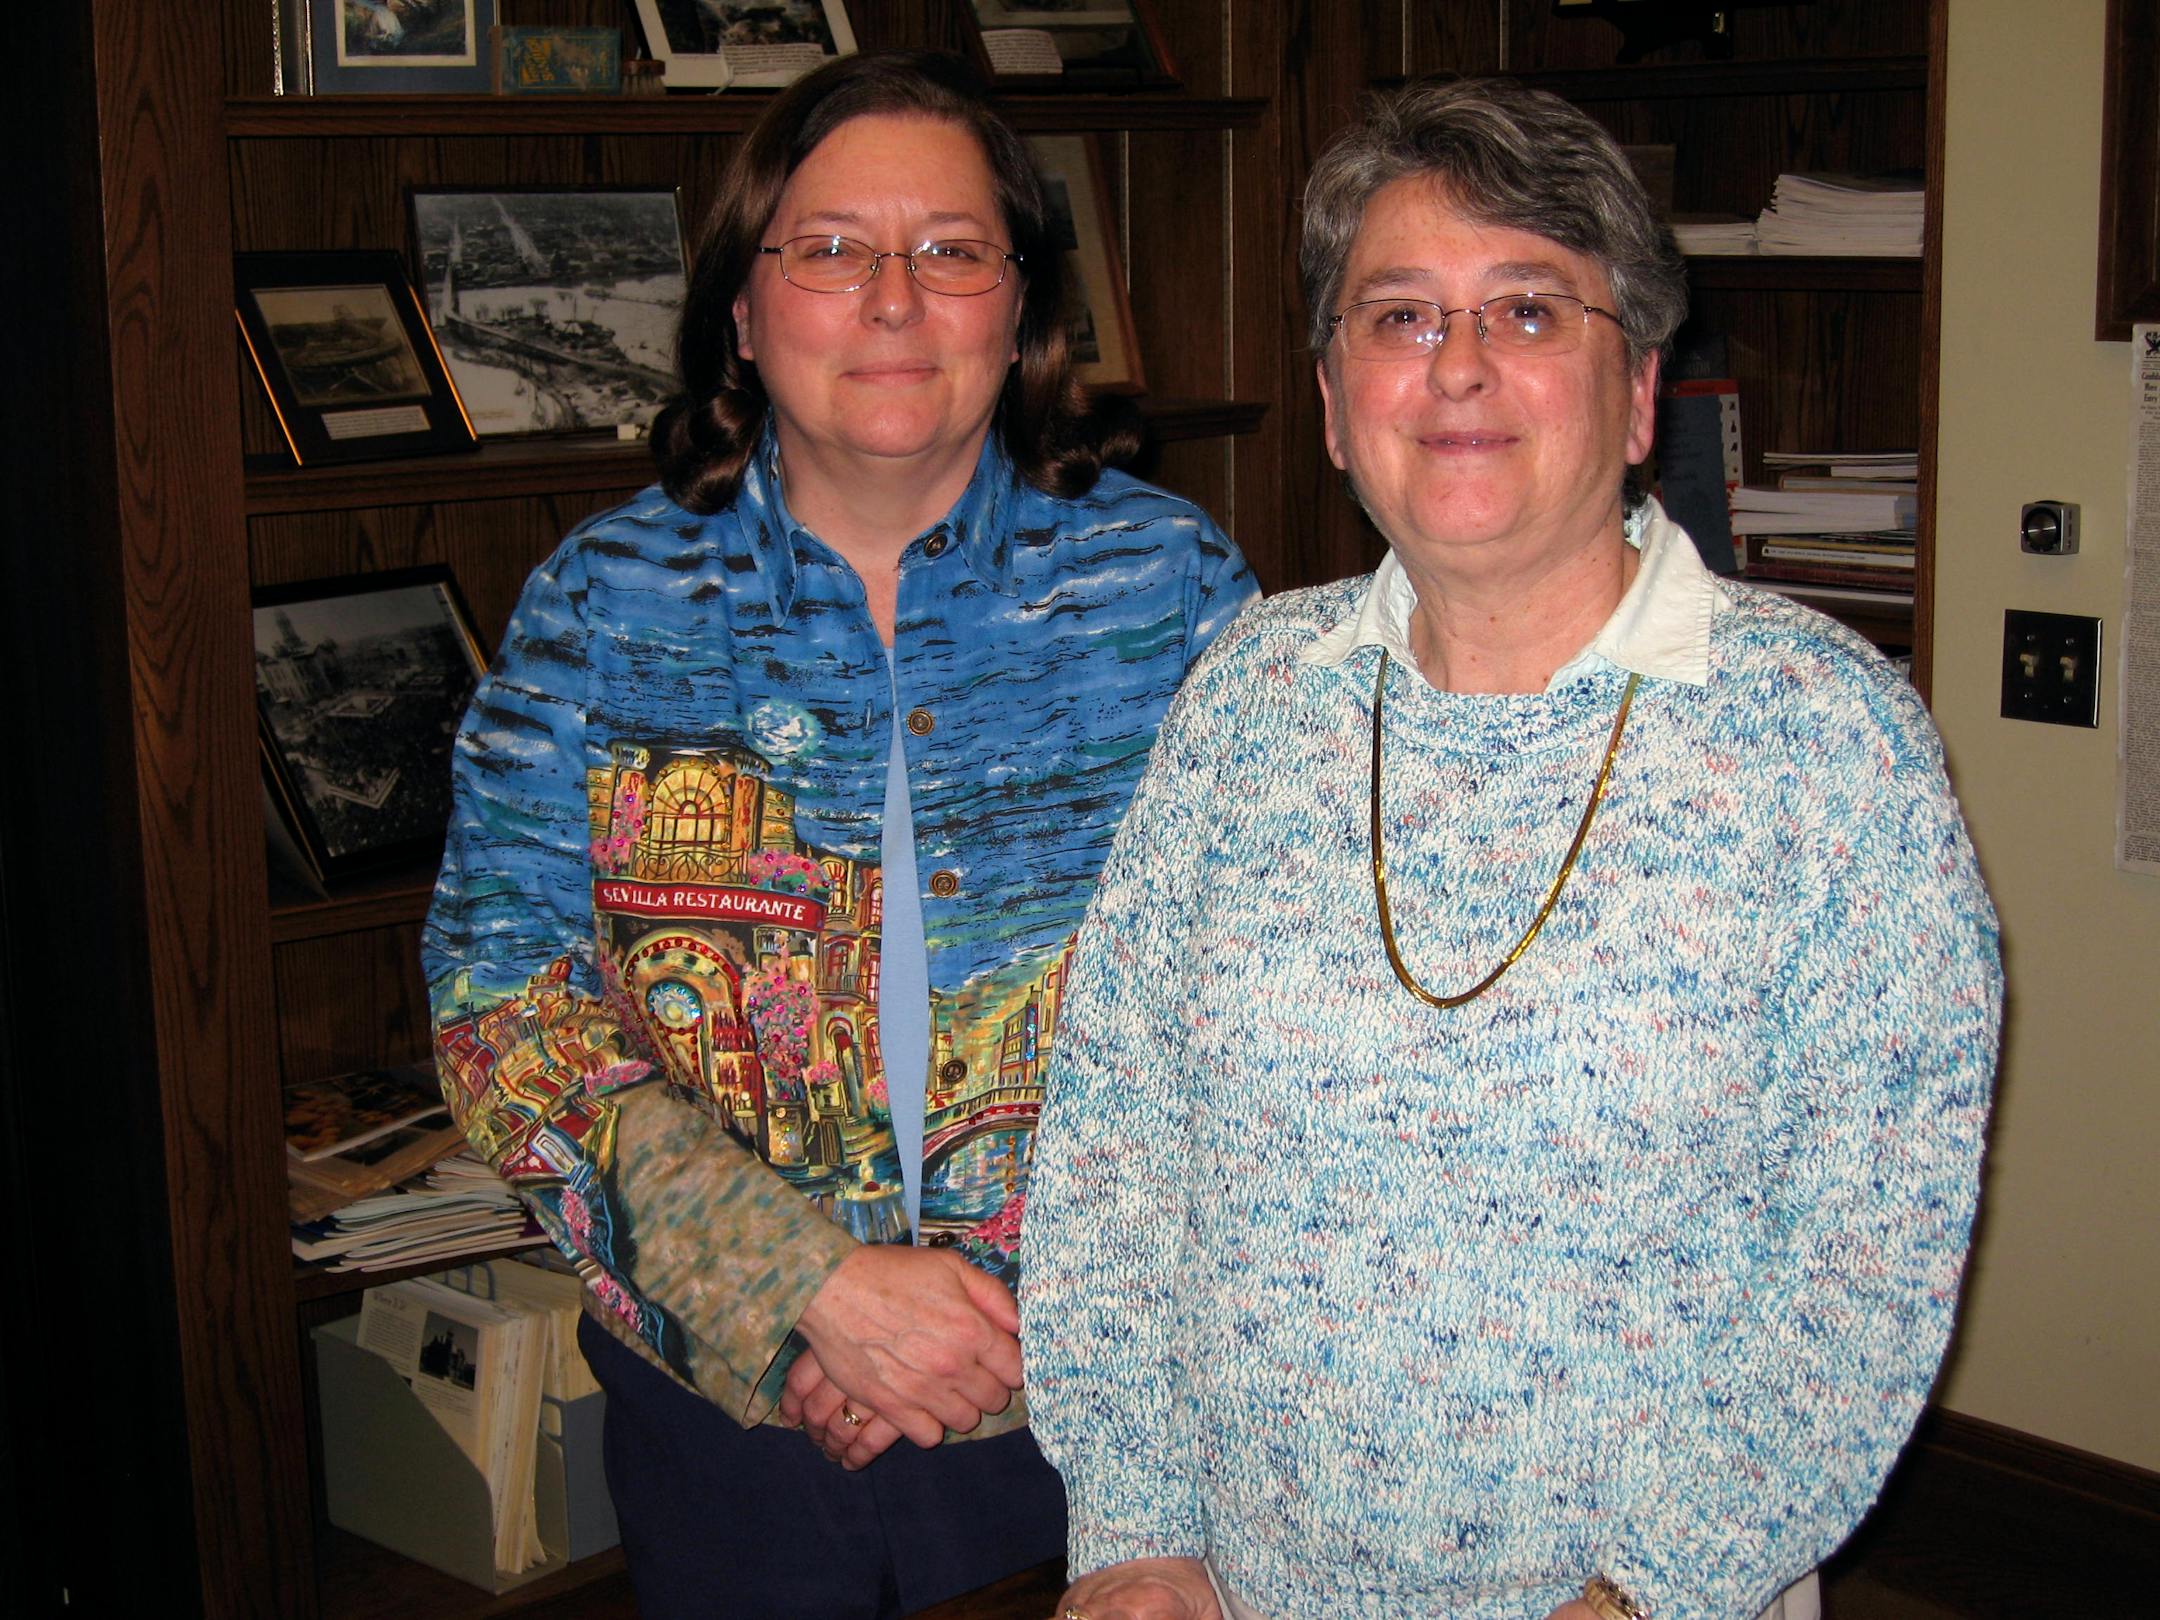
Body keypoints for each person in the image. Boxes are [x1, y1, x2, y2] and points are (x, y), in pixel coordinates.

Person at [1020, 78, 2001, 1620]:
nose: (1460, 366)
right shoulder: (1249, 696)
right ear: (1338, 400)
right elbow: (1110, 1146)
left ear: (1635, 395)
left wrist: (1645, 1594)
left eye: (1532, 313)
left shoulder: (1827, 741)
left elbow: (1861, 1271)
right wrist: (1135, 1521)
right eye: (1400, 316)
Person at [420, 49, 1256, 1620]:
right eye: (829, 249)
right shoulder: (603, 605)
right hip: (728, 1419)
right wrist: (804, 1289)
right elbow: (503, 1009)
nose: (893, 300)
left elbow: (1268, 1018)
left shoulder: (1179, 597)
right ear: (743, 311)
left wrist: (979, 1325)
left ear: (1023, 312)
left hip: (1116, 1421)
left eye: (950, 251)